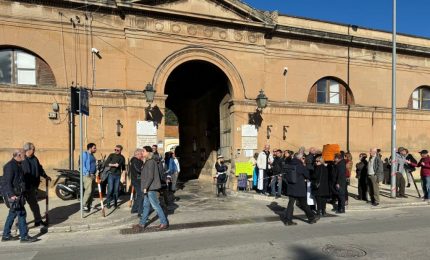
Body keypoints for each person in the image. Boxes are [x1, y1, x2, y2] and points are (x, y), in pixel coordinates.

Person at [1, 149, 37, 243]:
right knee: (21, 214)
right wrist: (12, 195)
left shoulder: (18, 164)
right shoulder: (10, 166)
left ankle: (6, 235)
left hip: (18, 194)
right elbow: (7, 182)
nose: (25, 157)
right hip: (14, 195)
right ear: (18, 155)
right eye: (23, 155)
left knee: (12, 214)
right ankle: (24, 236)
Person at [133, 146, 169, 231]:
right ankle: (141, 224)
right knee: (146, 206)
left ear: (148, 153)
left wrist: (145, 187)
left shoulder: (151, 162)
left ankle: (164, 223)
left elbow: (150, 177)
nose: (142, 153)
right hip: (148, 188)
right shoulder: (147, 162)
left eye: (144, 151)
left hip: (151, 188)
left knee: (156, 206)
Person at [283, 153, 318, 225]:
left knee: (290, 204)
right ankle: (311, 218)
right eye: (303, 158)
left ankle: (288, 220)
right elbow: (308, 175)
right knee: (304, 204)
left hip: (291, 187)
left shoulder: (289, 164)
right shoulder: (300, 166)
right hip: (299, 188)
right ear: (300, 158)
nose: (304, 159)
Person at [22, 142, 51, 227]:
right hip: (23, 187)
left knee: (34, 205)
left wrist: (45, 176)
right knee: (19, 207)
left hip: (32, 187)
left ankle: (38, 221)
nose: (34, 150)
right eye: (33, 149)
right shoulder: (22, 159)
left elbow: (40, 168)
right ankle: (19, 224)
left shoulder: (34, 158)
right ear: (28, 150)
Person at [81, 143, 97, 212]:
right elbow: (82, 165)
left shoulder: (92, 155)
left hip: (93, 175)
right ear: (90, 148)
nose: (95, 149)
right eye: (94, 148)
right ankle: (84, 205)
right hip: (87, 175)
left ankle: (89, 205)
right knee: (88, 191)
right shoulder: (85, 154)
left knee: (92, 192)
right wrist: (87, 173)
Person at [130, 149, 144, 216]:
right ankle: (140, 212)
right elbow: (138, 170)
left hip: (138, 180)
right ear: (138, 154)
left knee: (139, 195)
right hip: (137, 181)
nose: (142, 155)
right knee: (141, 195)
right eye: (141, 154)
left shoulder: (139, 161)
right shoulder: (135, 161)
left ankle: (134, 209)